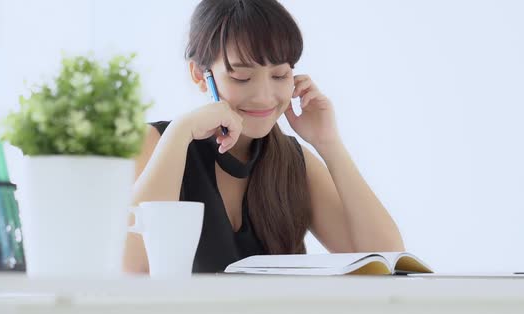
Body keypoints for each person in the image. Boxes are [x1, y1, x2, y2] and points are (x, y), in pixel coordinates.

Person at [124, 0, 405, 274]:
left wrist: (328, 143)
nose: (264, 97)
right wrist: (180, 133)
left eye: (280, 75)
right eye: (242, 78)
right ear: (201, 75)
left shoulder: (293, 162)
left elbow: (387, 260)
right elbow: (133, 268)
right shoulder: (157, 142)